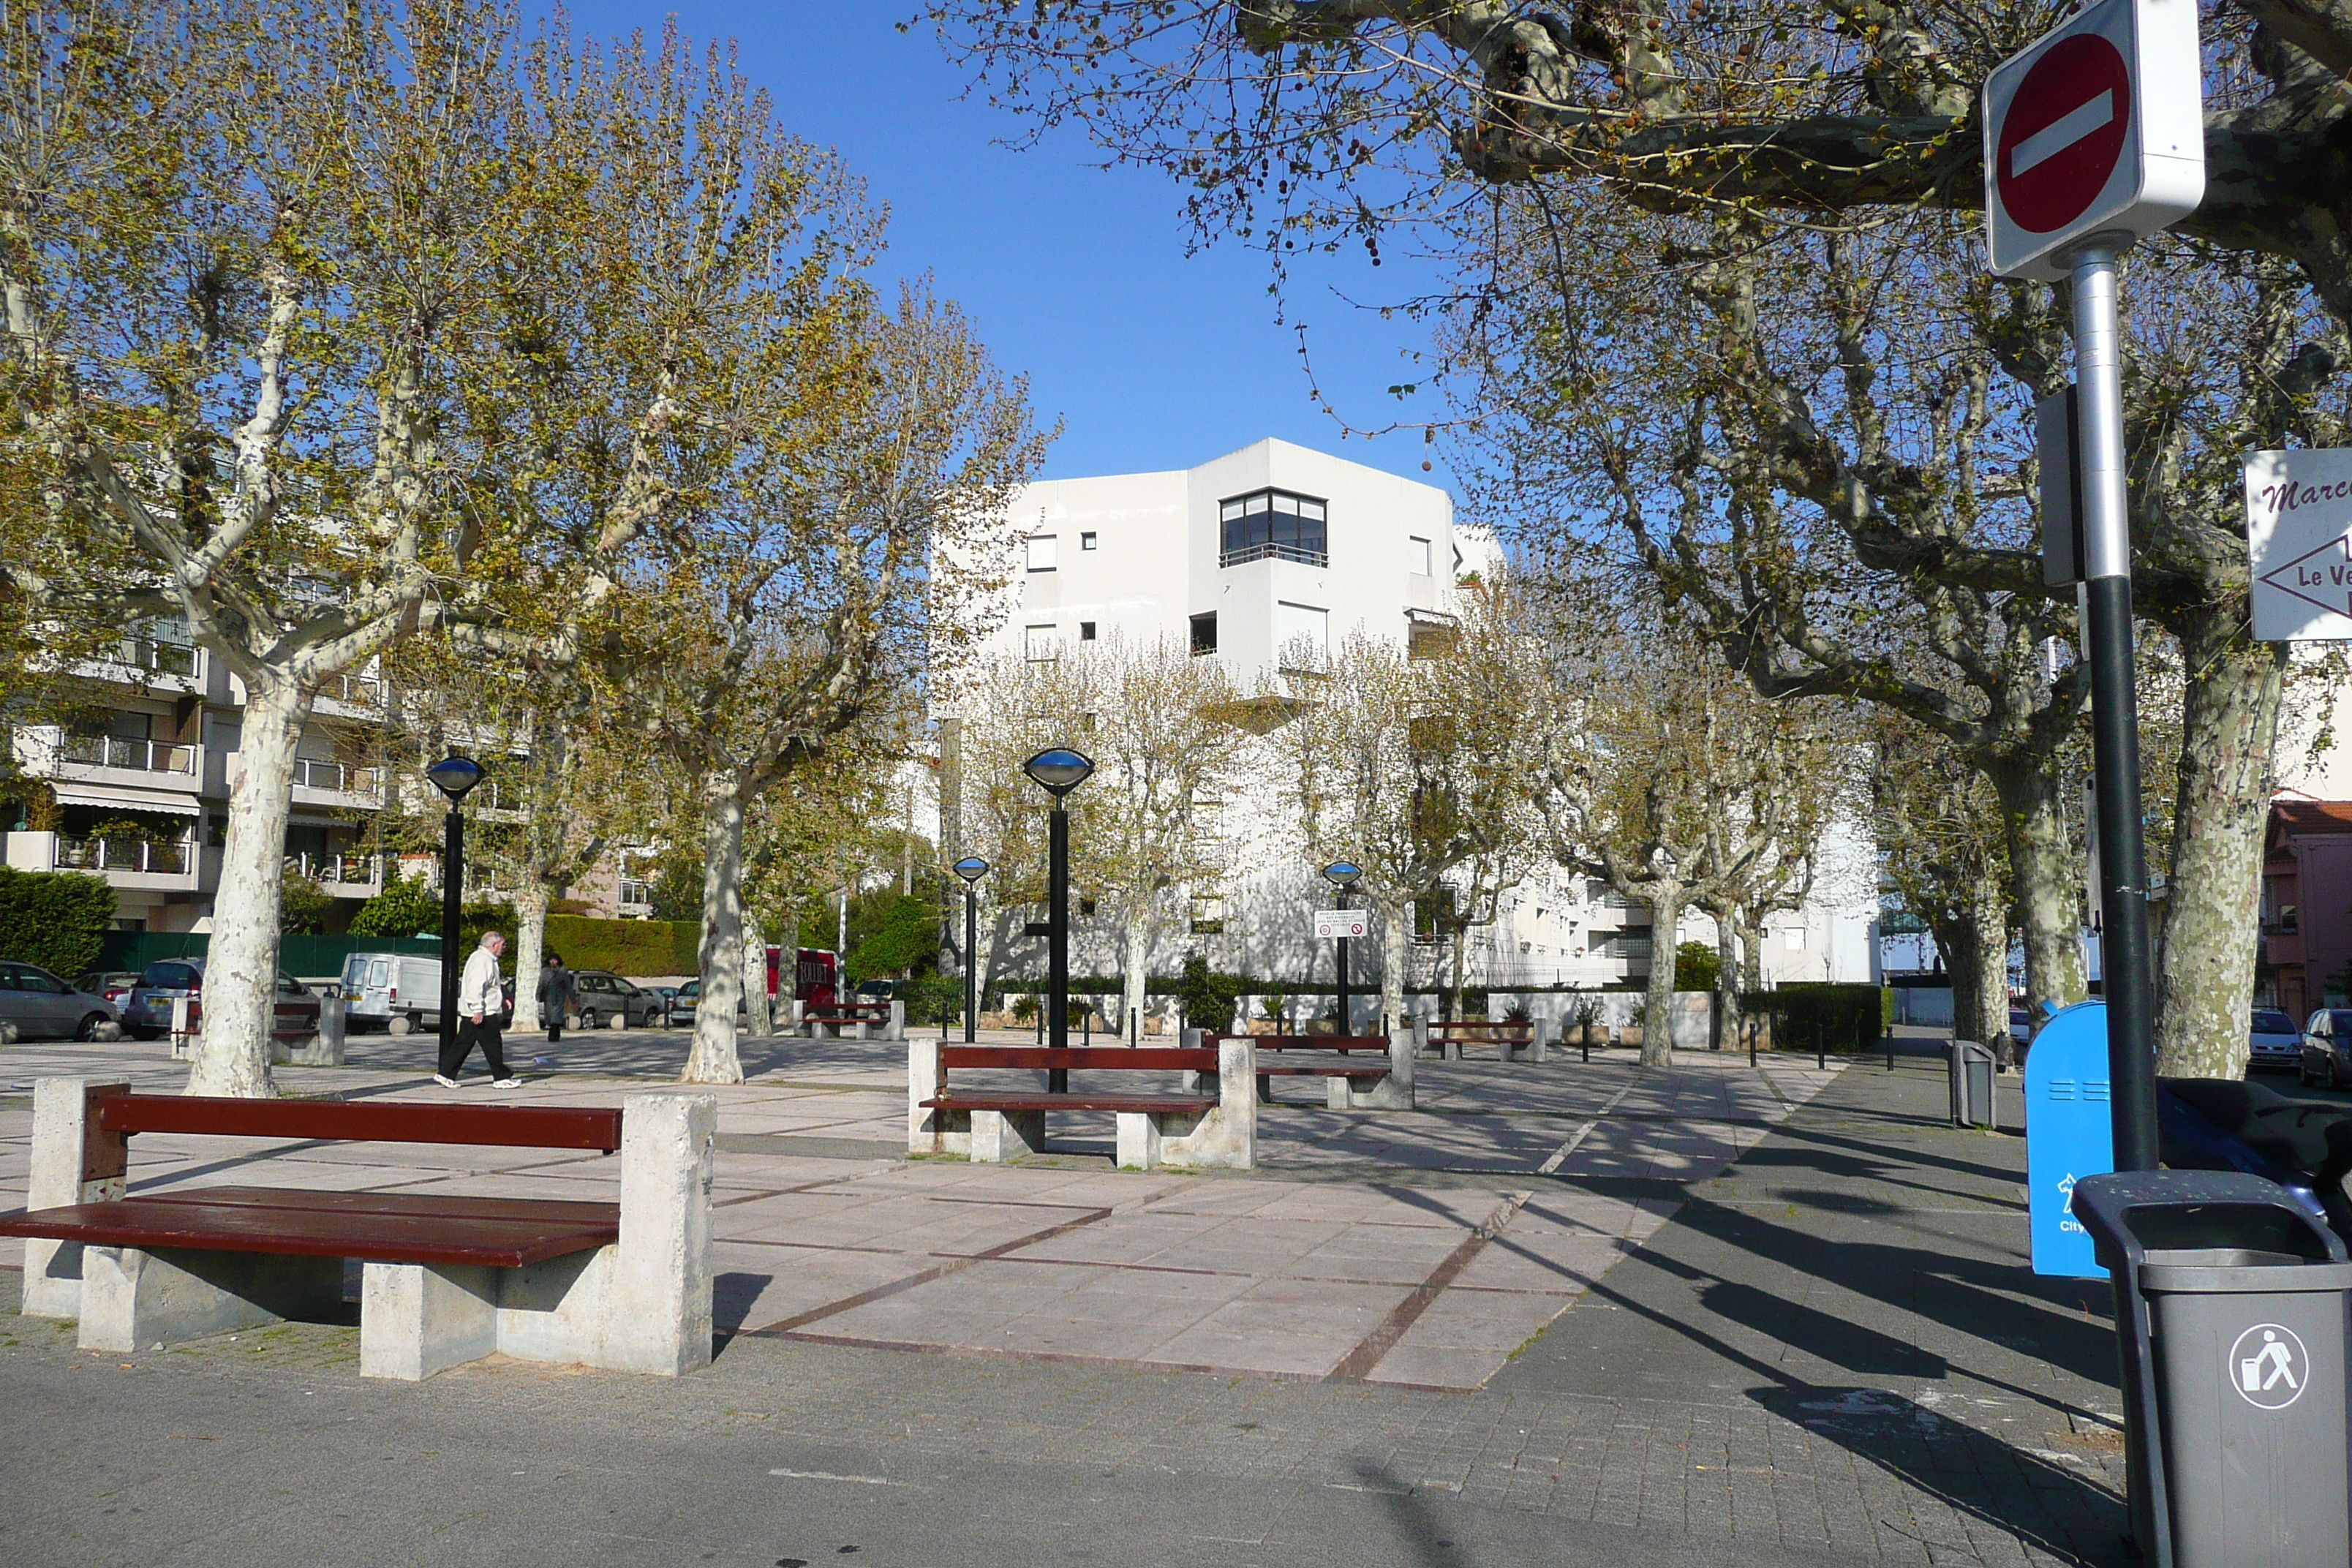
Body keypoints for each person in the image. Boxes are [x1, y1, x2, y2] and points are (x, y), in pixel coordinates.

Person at [436, 930, 518, 1088]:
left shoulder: (481, 958)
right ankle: (501, 1077)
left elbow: (489, 987)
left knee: (463, 1044)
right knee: (493, 1045)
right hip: (483, 1012)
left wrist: (500, 1002)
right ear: (494, 945)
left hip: (478, 1009)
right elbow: (477, 986)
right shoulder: (483, 960)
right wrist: (478, 1009)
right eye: (503, 945)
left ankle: (445, 1073)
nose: (504, 948)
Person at [538, 951, 576, 1042]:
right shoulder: (544, 971)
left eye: (555, 960)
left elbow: (568, 985)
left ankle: (554, 1036)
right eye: (551, 960)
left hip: (559, 997)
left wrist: (572, 997)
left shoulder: (562, 971)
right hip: (548, 997)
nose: (553, 962)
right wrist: (538, 995)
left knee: (556, 1017)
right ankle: (553, 1033)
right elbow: (541, 984)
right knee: (550, 1017)